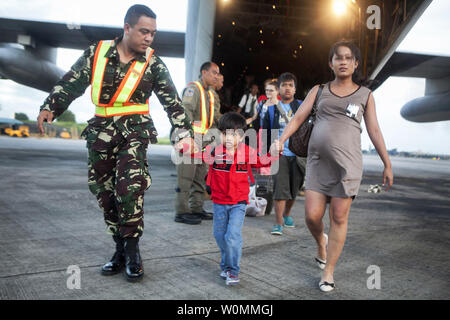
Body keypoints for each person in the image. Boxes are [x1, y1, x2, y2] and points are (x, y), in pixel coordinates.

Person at [37, 5, 195, 282]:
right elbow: (71, 82)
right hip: (100, 132)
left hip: (134, 131)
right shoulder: (96, 53)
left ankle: (133, 252)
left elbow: (173, 103)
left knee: (129, 189)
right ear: (127, 28)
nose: (149, 38)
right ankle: (119, 249)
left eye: (153, 33)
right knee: (105, 193)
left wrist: (184, 134)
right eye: (144, 31)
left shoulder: (153, 63)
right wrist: (51, 106)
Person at [278, 40, 393, 292]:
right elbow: (298, 117)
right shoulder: (319, 90)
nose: (343, 61)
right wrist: (281, 139)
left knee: (339, 216)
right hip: (318, 164)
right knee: (311, 216)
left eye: (348, 58)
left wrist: (387, 163)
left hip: (348, 165)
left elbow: (374, 129)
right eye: (338, 58)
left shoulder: (365, 95)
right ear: (331, 63)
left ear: (355, 64)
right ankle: (321, 242)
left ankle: (328, 271)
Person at [190, 112, 280, 285]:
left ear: (242, 135)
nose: (229, 138)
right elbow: (196, 154)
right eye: (225, 133)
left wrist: (274, 153)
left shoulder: (247, 152)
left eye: (234, 134)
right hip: (219, 202)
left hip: (238, 202)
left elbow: (264, 161)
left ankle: (233, 270)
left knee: (232, 236)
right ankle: (225, 264)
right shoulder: (214, 151)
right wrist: (185, 147)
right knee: (219, 235)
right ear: (220, 134)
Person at [174, 62, 222, 225]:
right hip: (191, 139)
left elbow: (215, 119)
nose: (216, 76)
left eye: (218, 74)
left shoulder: (211, 94)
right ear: (204, 72)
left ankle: (196, 208)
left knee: (200, 177)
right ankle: (181, 212)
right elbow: (185, 112)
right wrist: (187, 137)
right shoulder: (193, 89)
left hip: (205, 141)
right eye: (214, 73)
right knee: (185, 177)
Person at [263, 73, 305, 236]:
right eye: (284, 85)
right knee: (280, 189)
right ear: (278, 89)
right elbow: (266, 133)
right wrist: (267, 153)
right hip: (279, 155)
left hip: (298, 154)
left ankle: (287, 214)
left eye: (290, 85)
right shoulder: (271, 110)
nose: (287, 88)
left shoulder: (302, 106)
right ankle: (278, 222)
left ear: (295, 89)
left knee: (294, 189)